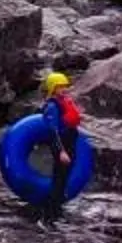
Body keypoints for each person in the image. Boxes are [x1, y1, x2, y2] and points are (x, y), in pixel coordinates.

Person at [26, 70, 83, 226]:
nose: (64, 89)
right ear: (53, 88)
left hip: (70, 141)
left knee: (63, 178)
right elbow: (53, 131)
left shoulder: (64, 102)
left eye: (64, 86)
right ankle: (49, 216)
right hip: (61, 144)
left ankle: (56, 211)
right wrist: (61, 151)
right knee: (59, 179)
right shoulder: (52, 106)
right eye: (60, 87)